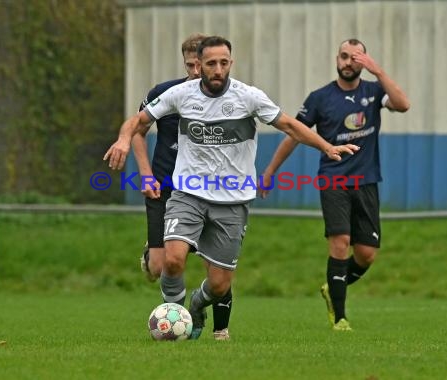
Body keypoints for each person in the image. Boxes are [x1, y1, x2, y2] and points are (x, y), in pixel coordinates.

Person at [104, 36, 359, 340]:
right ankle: (174, 320)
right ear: (200, 64)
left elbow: (289, 125)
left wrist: (327, 147)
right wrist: (123, 139)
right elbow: (138, 121)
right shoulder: (180, 94)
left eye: (223, 63)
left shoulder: (248, 97)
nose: (217, 69)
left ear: (230, 63)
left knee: (220, 285)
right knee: (172, 259)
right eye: (211, 63)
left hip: (232, 201)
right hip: (188, 193)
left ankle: (197, 306)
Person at [259, 38, 410, 331]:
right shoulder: (320, 98)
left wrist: (379, 72)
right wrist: (270, 171)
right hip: (334, 180)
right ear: (336, 60)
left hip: (366, 182)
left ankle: (333, 286)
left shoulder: (374, 91)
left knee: (366, 254)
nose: (348, 62)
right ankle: (340, 318)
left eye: (356, 57)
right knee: (340, 243)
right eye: (344, 56)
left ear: (364, 61)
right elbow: (294, 134)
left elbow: (403, 105)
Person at [132, 34, 233, 341]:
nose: (194, 71)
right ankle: (154, 260)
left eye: (197, 65)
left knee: (216, 265)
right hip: (163, 188)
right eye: (190, 65)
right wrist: (146, 173)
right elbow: (138, 130)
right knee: (160, 265)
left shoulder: (224, 97)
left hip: (205, 191)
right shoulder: (165, 94)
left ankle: (220, 329)